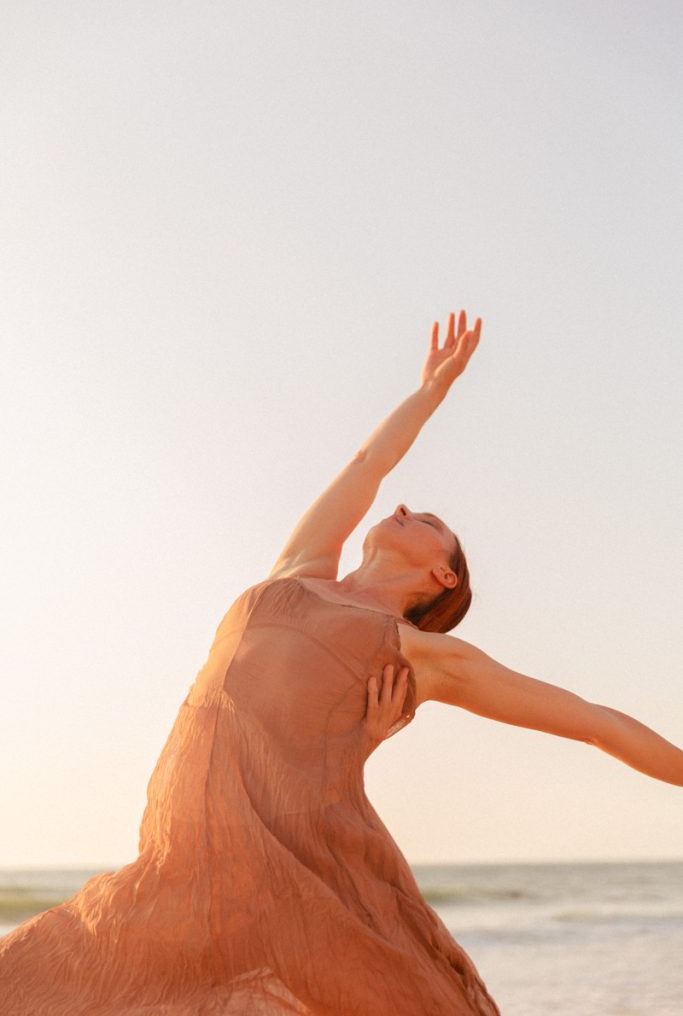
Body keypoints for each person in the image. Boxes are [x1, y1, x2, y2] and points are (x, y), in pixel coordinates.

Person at [1, 311, 681, 1016]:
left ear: (443, 576)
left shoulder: (421, 655)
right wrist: (429, 393)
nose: (404, 504)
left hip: (299, 860)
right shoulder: (297, 571)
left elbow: (593, 723)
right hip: (184, 853)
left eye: (430, 522)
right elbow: (367, 465)